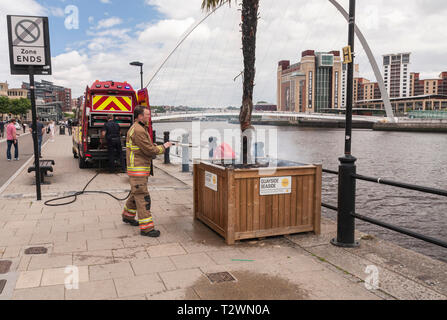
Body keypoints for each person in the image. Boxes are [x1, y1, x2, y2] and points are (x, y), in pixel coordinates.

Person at [122, 106, 172, 237]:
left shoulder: (138, 128)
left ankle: (127, 216)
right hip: (138, 169)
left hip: (137, 168)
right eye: (147, 115)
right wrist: (164, 147)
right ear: (140, 116)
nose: (149, 117)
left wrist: (152, 146)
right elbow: (150, 151)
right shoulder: (138, 130)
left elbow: (143, 147)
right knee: (143, 197)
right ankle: (147, 229)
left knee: (136, 192)